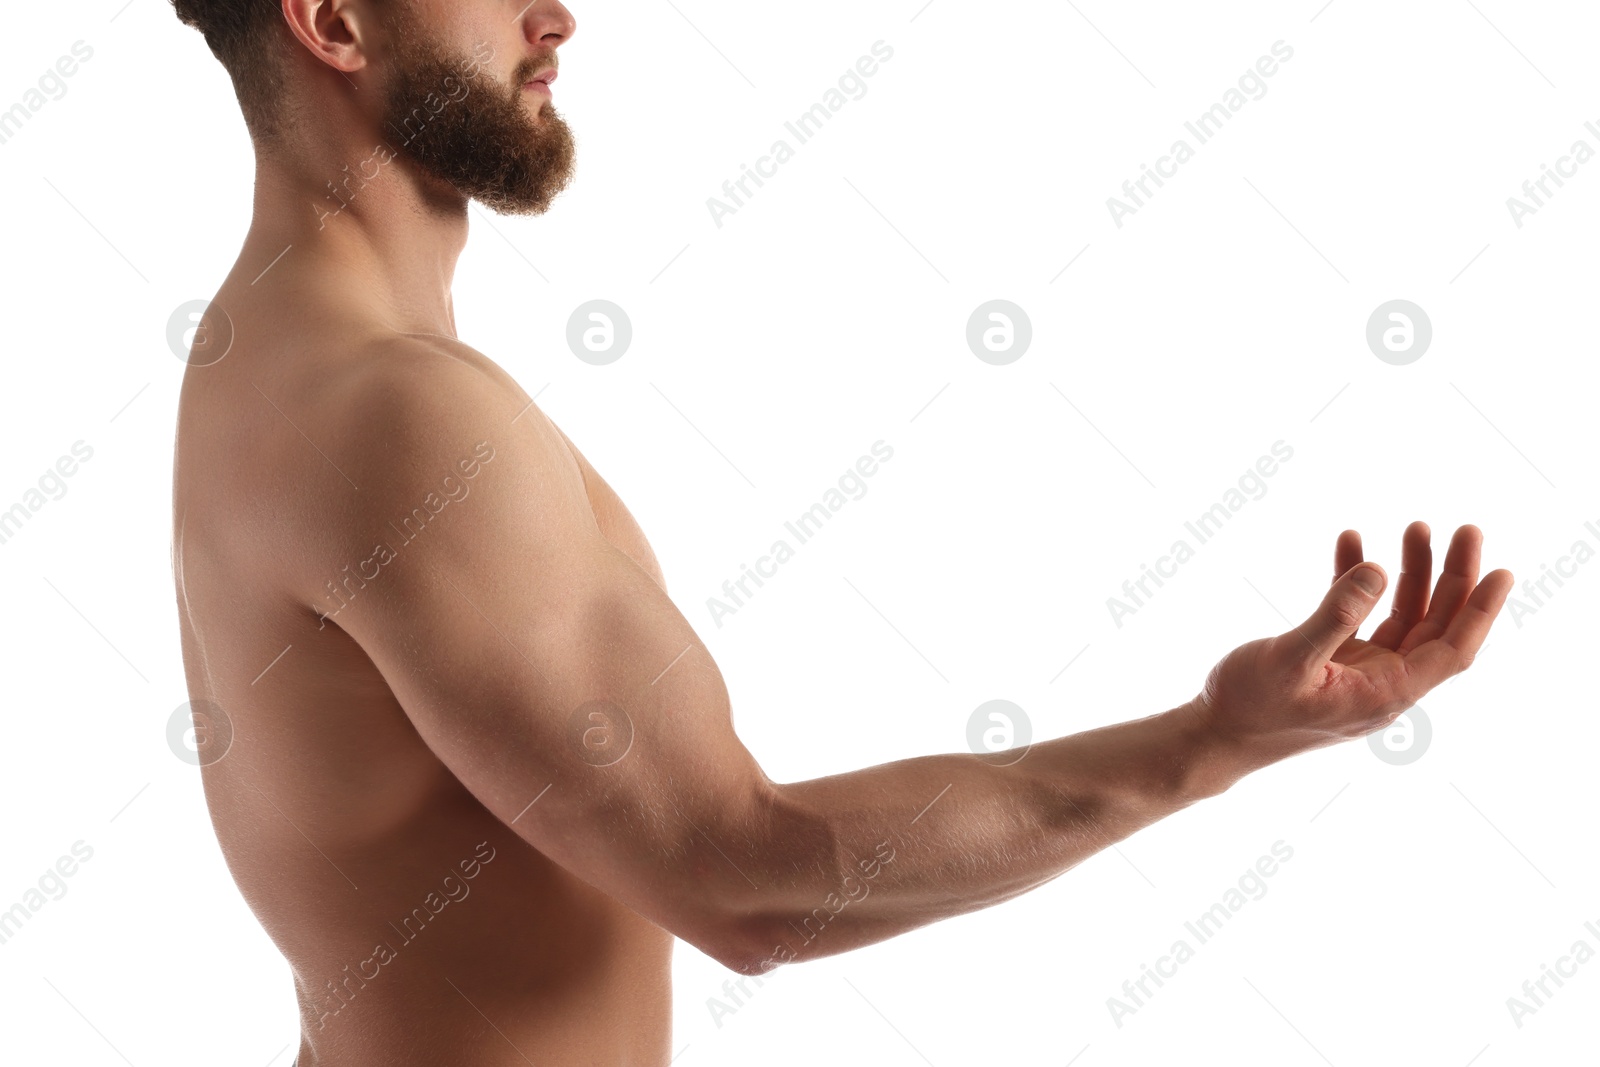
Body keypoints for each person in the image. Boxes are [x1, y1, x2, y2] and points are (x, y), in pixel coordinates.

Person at [165, 2, 1515, 1064]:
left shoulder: (266, 357)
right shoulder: (394, 416)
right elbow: (744, 881)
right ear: (333, 22)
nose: (558, 16)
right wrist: (1209, 746)